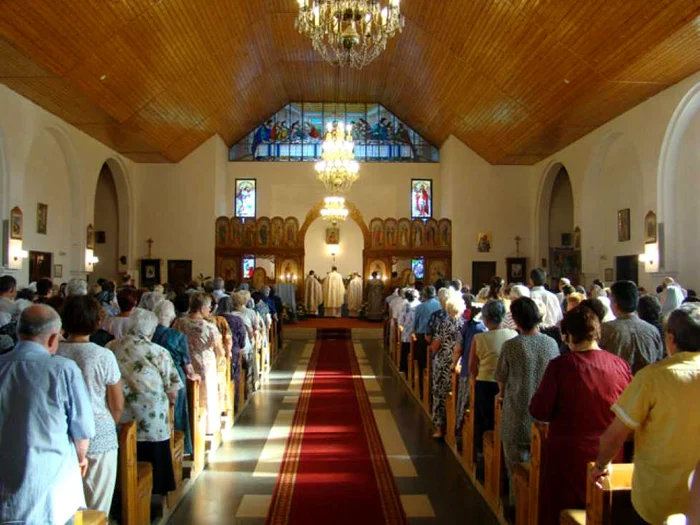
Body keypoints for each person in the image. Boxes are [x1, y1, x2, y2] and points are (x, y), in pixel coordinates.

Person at [591, 303, 700, 525]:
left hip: (658, 500)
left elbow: (615, 435)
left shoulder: (653, 378)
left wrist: (600, 466)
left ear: (670, 339)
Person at [529, 305, 632, 525]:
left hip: (568, 458)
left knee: (559, 511)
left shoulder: (561, 366)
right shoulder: (620, 365)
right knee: (604, 514)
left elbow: (539, 410)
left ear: (570, 336)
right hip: (611, 458)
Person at [0, 305, 95, 524]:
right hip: (50, 490)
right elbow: (82, 429)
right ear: (53, 339)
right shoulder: (63, 369)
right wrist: (80, 458)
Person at [57, 295, 124, 514]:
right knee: (97, 506)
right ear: (97, 322)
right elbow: (116, 402)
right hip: (98, 429)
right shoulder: (103, 355)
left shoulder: (54, 351)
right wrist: (110, 424)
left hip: (59, 433)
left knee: (65, 504)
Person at [108, 308, 182, 496]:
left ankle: (120, 497)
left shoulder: (111, 347)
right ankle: (156, 492)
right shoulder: (158, 352)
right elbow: (172, 390)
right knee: (154, 454)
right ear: (151, 331)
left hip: (118, 417)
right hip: (151, 421)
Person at [496, 297, 559, 492]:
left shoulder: (511, 345)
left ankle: (516, 508)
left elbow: (501, 378)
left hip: (517, 413)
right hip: (543, 416)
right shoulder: (551, 344)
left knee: (515, 468)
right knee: (540, 468)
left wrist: (501, 395)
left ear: (515, 319)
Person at [469, 300, 518, 458]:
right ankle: (501, 453)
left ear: (486, 319)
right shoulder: (513, 334)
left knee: (485, 421)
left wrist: (473, 380)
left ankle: (483, 454)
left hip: (484, 383)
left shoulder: (479, 338)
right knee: (503, 419)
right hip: (506, 384)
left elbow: (472, 366)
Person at [173, 293, 224, 434]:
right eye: (208, 307)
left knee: (189, 395)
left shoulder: (180, 322)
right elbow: (219, 349)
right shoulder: (209, 326)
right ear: (202, 308)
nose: (210, 310)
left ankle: (188, 425)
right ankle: (207, 426)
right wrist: (221, 357)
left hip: (185, 363)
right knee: (206, 393)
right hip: (204, 364)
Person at [153, 299, 198, 455]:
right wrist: (193, 375)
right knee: (177, 411)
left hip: (154, 377)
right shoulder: (177, 336)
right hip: (174, 377)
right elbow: (187, 363)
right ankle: (181, 447)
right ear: (171, 317)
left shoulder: (150, 334)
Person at [600, 281, 664, 374]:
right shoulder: (652, 330)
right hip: (646, 384)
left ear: (615, 304)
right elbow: (659, 360)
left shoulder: (605, 329)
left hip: (619, 385)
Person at [430, 290, 465, 439]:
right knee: (456, 395)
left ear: (448, 308)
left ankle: (439, 429)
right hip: (458, 365)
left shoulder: (443, 324)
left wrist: (433, 347)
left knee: (440, 395)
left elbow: (435, 346)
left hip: (443, 364)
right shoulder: (465, 325)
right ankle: (454, 429)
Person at [455, 294, 486, 443]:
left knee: (465, 402)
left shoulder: (468, 326)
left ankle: (460, 432)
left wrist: (453, 364)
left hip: (470, 372)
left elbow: (459, 349)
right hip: (484, 375)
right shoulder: (484, 330)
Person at [216, 296, 247, 410]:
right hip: (232, 351)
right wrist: (241, 346)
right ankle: (234, 402)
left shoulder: (214, 319)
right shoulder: (237, 320)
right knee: (234, 376)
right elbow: (242, 338)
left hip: (217, 353)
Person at [412, 286, 441, 398]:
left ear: (424, 295)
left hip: (422, 337)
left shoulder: (420, 307)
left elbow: (415, 323)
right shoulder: (439, 305)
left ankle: (422, 390)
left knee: (422, 363)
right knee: (433, 363)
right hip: (437, 336)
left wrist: (414, 331)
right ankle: (433, 388)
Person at [398, 289, 420, 374]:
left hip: (407, 332)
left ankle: (404, 368)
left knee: (405, 350)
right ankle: (415, 371)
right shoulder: (420, 305)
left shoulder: (405, 306)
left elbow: (400, 321)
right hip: (417, 332)